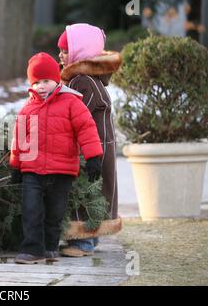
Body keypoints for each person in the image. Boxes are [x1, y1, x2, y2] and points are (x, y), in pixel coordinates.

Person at [10, 52, 103, 264]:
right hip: (32, 171)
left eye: (46, 81)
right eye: (36, 82)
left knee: (54, 213)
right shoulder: (27, 109)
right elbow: (20, 141)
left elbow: (87, 129)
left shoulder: (71, 103)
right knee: (31, 211)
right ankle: (32, 249)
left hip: (61, 171)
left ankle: (50, 246)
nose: (41, 86)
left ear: (56, 79)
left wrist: (93, 157)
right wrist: (16, 165)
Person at [57, 23, 123, 257]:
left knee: (86, 190)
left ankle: (84, 241)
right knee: (96, 191)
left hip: (92, 148)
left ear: (79, 52)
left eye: (65, 50)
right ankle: (90, 238)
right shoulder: (88, 79)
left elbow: (74, 115)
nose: (60, 55)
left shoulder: (82, 81)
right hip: (97, 145)